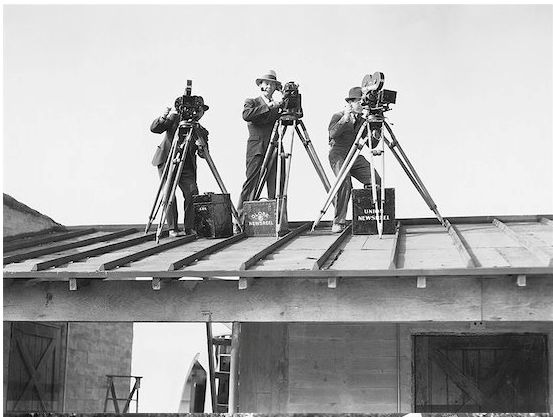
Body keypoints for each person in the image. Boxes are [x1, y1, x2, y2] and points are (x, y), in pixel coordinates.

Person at [150, 97, 209, 237]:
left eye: (201, 111)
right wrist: (164, 116)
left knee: (192, 191)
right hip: (167, 160)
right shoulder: (175, 119)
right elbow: (155, 128)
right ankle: (172, 228)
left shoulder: (201, 130)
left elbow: (204, 155)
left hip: (186, 165)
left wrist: (201, 148)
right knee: (169, 193)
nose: (198, 114)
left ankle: (190, 227)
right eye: (197, 110)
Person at [328, 86, 382, 233]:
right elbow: (332, 134)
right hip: (338, 154)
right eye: (360, 102)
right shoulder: (338, 115)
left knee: (375, 179)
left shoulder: (363, 120)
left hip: (354, 155)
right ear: (351, 102)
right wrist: (345, 119)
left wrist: (376, 129)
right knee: (344, 182)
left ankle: (367, 216)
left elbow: (372, 143)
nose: (363, 105)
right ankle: (339, 221)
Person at [236, 70, 284, 226]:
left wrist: (286, 98)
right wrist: (269, 106)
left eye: (272, 84)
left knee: (275, 183)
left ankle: (276, 221)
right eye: (266, 83)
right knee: (251, 183)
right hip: (257, 148)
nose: (269, 86)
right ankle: (240, 221)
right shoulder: (252, 102)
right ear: (261, 86)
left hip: (274, 147)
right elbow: (246, 115)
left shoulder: (278, 106)